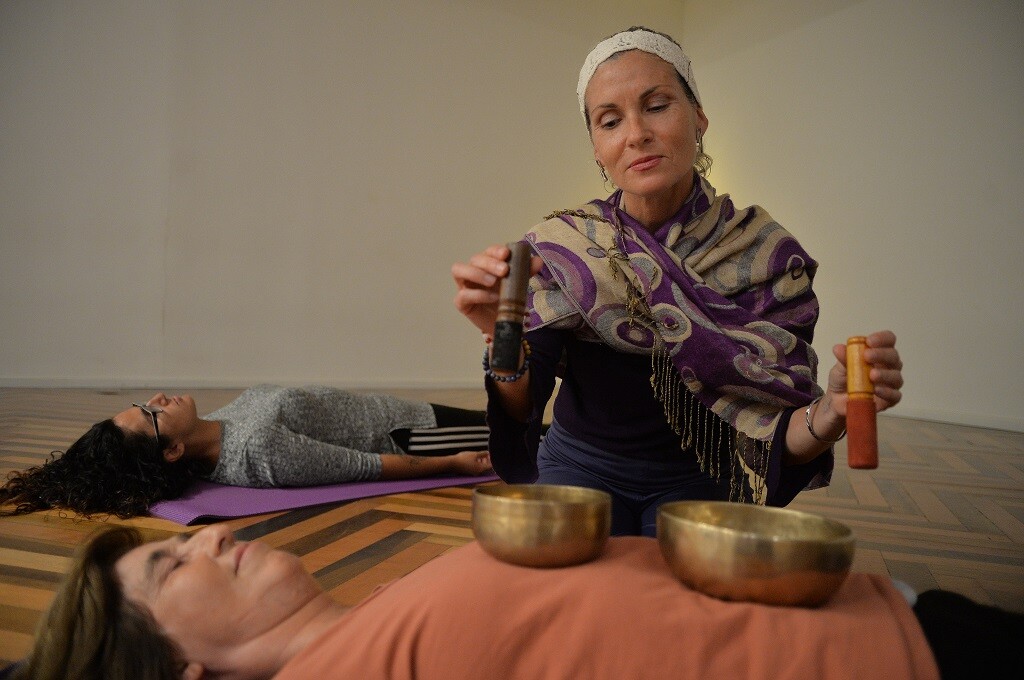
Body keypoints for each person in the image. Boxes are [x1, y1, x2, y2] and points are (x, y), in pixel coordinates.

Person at [451, 26, 905, 536]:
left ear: (699, 117)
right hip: (577, 469)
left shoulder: (767, 258)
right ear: (598, 147)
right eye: (610, 120)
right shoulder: (564, 250)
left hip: (705, 479)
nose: (636, 133)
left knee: (688, 603)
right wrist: (503, 337)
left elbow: (778, 435)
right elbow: (521, 400)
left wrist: (833, 411)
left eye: (657, 105)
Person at [10, 523, 1023, 680]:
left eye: (185, 530)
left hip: (890, 607)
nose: (211, 534)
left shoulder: (363, 627)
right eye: (171, 565)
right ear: (181, 665)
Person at [0, 384, 492, 518]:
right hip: (409, 434)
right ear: (171, 451)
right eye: (150, 414)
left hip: (400, 409)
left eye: (140, 403)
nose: (157, 398)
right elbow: (364, 466)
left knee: (533, 424)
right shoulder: (257, 451)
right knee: (540, 436)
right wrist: (452, 465)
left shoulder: (221, 425)